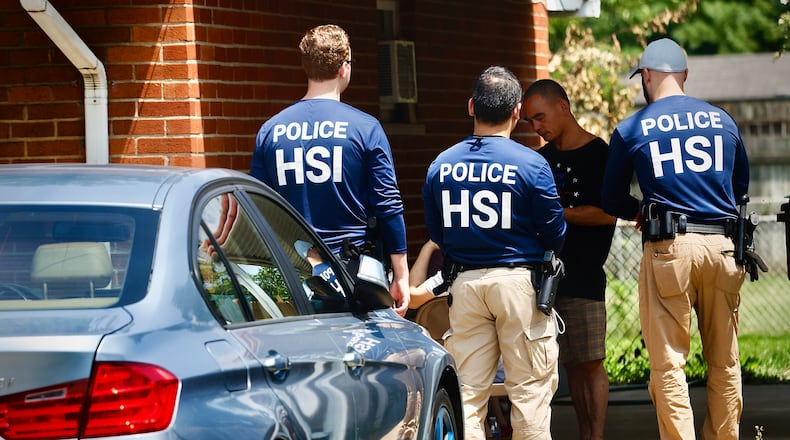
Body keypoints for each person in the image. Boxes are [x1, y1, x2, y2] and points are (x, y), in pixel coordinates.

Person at [601, 38, 750, 440]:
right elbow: (739, 190)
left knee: (669, 365)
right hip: (724, 247)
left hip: (670, 249)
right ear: (684, 74)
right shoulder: (723, 120)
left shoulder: (632, 128)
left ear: (646, 76)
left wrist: (639, 212)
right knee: (725, 362)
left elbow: (609, 196)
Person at [422, 65, 566, 440]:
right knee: (529, 395)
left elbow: (438, 234)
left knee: (468, 398)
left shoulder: (441, 165)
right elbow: (555, 233)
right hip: (520, 284)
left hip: (465, 287)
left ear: (472, 107)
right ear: (517, 112)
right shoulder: (533, 163)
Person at [251, 24, 409, 315]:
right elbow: (387, 204)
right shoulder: (365, 128)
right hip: (354, 277)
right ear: (343, 68)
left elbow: (257, 208)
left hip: (292, 277)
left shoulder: (270, 131)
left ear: (306, 67)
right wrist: (401, 275)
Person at [523, 79, 626, 440]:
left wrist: (557, 214)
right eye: (529, 122)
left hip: (583, 273)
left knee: (589, 363)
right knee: (560, 366)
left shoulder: (601, 154)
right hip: (542, 277)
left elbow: (610, 213)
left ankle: (594, 436)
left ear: (563, 106)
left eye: (540, 117)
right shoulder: (539, 159)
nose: (537, 128)